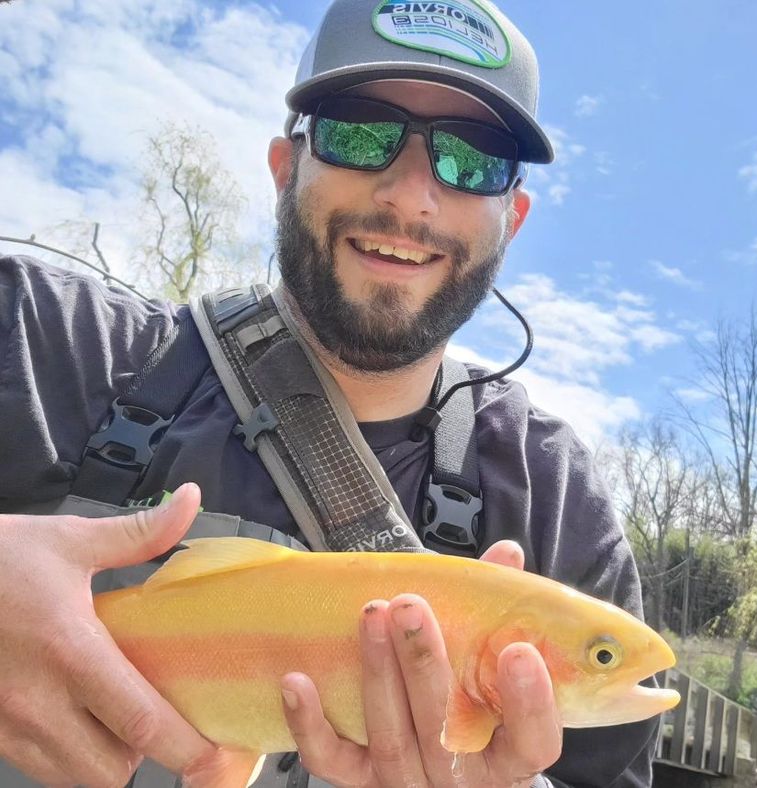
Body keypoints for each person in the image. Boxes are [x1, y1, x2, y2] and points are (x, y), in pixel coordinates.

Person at [0, 1, 661, 786]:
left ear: (511, 219)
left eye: (474, 157)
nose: (411, 196)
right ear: (286, 168)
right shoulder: (44, 341)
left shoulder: (555, 500)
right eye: (358, 130)